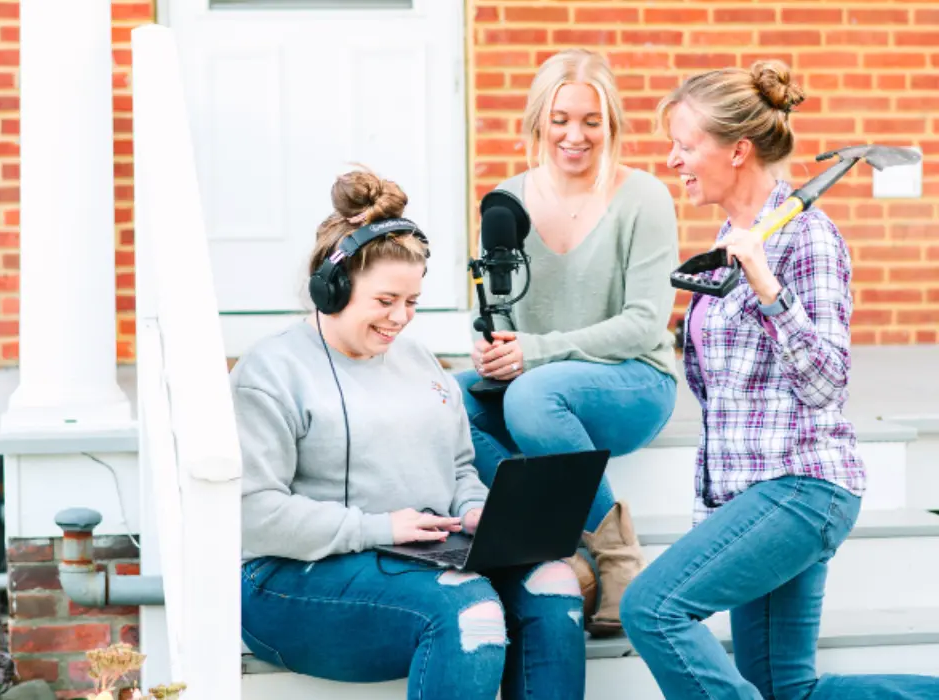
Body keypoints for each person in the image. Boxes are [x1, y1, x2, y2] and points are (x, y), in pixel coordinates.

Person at [619, 60, 939, 699]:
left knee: (651, 608)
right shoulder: (736, 235)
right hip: (751, 495)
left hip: (801, 487)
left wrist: (767, 286)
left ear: (737, 150)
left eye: (685, 146)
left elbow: (827, 382)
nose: (673, 160)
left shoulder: (808, 240)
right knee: (784, 689)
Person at [232, 168, 586, 700]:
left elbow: (460, 468)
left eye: (413, 302)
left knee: (553, 584)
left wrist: (474, 510)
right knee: (471, 610)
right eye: (384, 300)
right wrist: (378, 528)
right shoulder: (271, 371)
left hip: (419, 557)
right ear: (332, 288)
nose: (401, 318)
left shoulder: (421, 362)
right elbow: (254, 513)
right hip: (291, 580)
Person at [455, 48, 680, 637]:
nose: (574, 136)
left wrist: (535, 350)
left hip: (632, 382)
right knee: (447, 396)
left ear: (612, 125)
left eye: (591, 121)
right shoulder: (506, 200)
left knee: (533, 395)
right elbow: (496, 313)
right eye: (560, 120)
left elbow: (644, 324)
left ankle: (616, 557)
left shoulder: (644, 198)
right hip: (540, 380)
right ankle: (554, 542)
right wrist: (494, 349)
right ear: (538, 122)